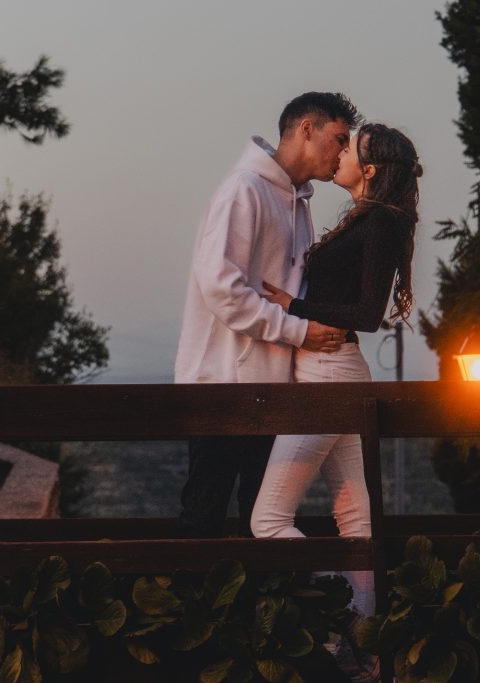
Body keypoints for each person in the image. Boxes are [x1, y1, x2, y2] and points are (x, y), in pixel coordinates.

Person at [251, 123, 422, 625]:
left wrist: (293, 305)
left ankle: (340, 608)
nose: (340, 151)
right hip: (332, 371)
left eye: (350, 148)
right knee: (355, 518)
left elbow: (368, 313)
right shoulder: (363, 220)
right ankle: (366, 652)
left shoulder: (381, 224)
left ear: (368, 170)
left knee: (267, 520)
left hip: (331, 374)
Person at [174, 92, 362, 538]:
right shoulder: (244, 190)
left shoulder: (297, 202)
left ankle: (250, 609)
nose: (342, 153)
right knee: (205, 517)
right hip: (221, 386)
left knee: (264, 520)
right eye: (338, 139)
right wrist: (299, 332)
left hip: (271, 390)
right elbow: (222, 289)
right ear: (306, 130)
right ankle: (191, 610)